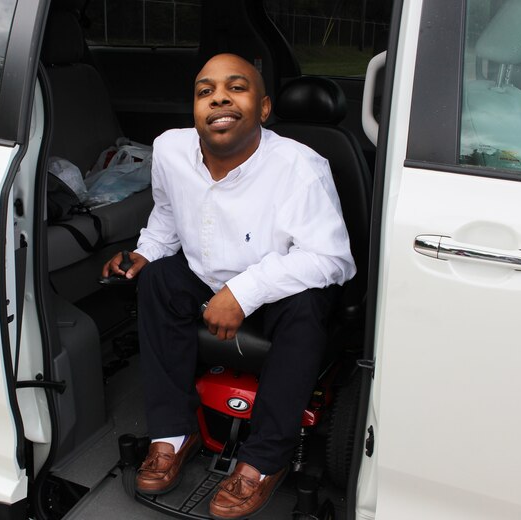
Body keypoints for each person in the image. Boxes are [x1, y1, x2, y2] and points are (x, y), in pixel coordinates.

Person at [101, 53, 355, 519]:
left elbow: (331, 258)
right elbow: (166, 216)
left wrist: (243, 292)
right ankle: (174, 434)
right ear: (195, 109)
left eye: (236, 88)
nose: (218, 97)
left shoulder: (300, 166)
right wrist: (144, 254)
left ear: (262, 108)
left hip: (280, 287)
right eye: (205, 91)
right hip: (205, 275)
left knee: (307, 308)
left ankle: (263, 459)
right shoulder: (171, 150)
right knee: (157, 281)